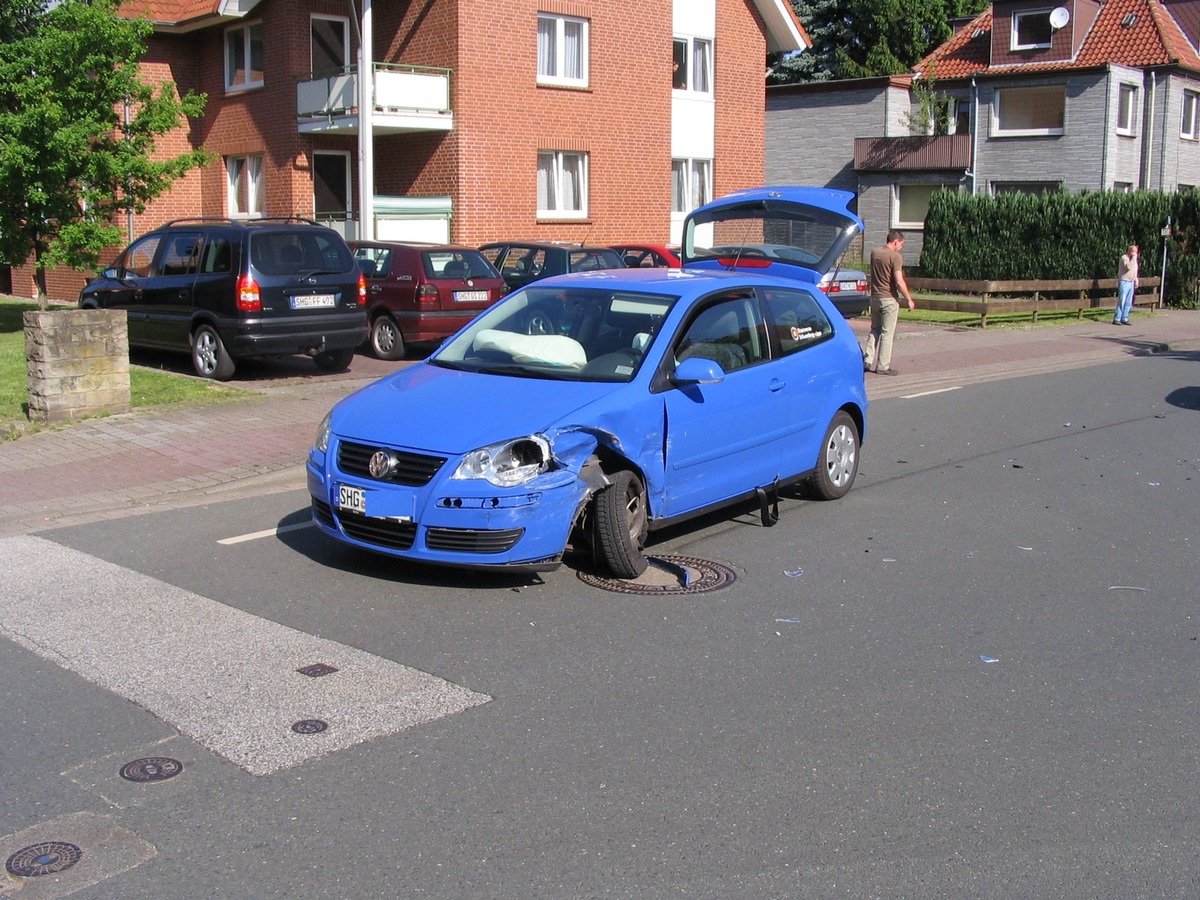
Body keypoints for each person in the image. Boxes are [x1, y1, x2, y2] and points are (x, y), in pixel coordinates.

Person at [863, 229, 916, 376]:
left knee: (875, 329)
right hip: (889, 298)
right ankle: (882, 366)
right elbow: (899, 282)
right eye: (901, 243)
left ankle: (867, 360)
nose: (901, 246)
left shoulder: (875, 253)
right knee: (887, 333)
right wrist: (909, 299)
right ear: (895, 241)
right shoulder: (895, 257)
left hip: (874, 297)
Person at [1114, 244, 1139, 326]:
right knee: (1122, 300)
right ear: (1129, 251)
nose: (1135, 253)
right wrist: (1133, 259)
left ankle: (1125, 318)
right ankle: (1117, 318)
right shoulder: (1124, 258)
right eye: (1133, 251)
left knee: (1128, 302)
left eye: (1136, 252)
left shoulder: (1134, 260)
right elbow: (1128, 267)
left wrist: (1136, 279)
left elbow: (1135, 270)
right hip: (1124, 281)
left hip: (1131, 282)